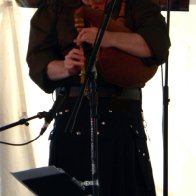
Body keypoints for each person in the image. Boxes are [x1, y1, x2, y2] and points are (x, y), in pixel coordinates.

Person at [26, 0, 170, 195]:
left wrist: (108, 38)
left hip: (122, 121)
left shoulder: (138, 5)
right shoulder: (57, 7)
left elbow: (157, 45)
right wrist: (66, 67)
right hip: (73, 118)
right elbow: (38, 64)